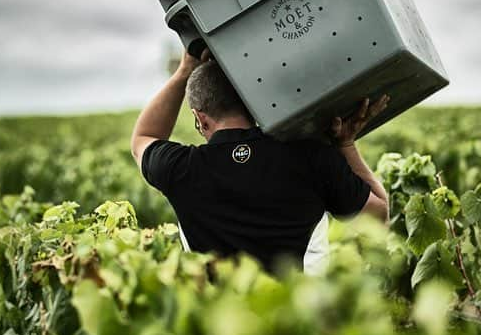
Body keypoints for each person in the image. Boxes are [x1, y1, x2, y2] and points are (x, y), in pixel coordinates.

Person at [130, 49, 389, 275]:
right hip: (300, 322)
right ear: (254, 105)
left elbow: (144, 137)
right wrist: (346, 144)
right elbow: (378, 215)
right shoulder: (312, 157)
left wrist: (184, 70)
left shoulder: (180, 168)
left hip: (216, 323)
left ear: (201, 118)